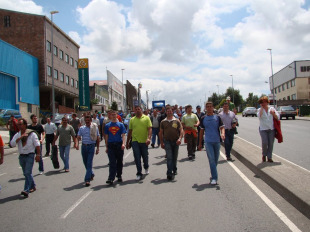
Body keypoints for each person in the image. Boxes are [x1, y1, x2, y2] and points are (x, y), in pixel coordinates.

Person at [10, 118, 41, 198]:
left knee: (27, 172)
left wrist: (38, 155)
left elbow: (37, 145)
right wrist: (20, 137)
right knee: (26, 173)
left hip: (30, 155)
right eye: (18, 125)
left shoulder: (31, 134)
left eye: (20, 124)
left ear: (25, 125)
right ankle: (33, 186)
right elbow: (12, 144)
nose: (19, 126)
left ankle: (26, 190)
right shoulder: (18, 134)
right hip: (22, 156)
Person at [198, 102, 225, 185]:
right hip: (208, 142)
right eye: (207, 107)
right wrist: (199, 143)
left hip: (217, 141)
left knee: (215, 160)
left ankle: (213, 173)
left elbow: (222, 127)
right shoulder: (203, 118)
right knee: (212, 160)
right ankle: (214, 178)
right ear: (206, 108)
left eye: (210, 107)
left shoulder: (217, 117)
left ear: (213, 108)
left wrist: (223, 133)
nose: (209, 108)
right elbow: (201, 132)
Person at [126, 105, 152, 181]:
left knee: (145, 156)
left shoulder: (146, 118)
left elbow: (149, 129)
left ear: (141, 110)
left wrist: (149, 138)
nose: (137, 110)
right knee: (137, 157)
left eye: (139, 109)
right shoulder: (132, 119)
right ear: (134, 111)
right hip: (135, 141)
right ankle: (139, 173)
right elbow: (130, 131)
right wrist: (127, 142)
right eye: (136, 109)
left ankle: (146, 167)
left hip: (144, 141)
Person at [159, 105, 183, 180]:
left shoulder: (177, 120)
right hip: (167, 141)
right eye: (167, 111)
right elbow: (160, 133)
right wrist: (162, 143)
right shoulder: (163, 122)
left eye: (170, 111)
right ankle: (169, 173)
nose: (169, 112)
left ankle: (174, 169)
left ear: (172, 112)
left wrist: (180, 139)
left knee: (174, 157)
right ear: (166, 112)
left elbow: (181, 130)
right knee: (169, 157)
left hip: (176, 141)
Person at [76, 115, 100, 187]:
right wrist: (77, 144)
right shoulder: (82, 128)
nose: (87, 122)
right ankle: (91, 173)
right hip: (84, 147)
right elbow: (78, 137)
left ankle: (87, 179)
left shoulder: (94, 128)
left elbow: (98, 138)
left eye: (88, 121)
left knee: (89, 163)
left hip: (91, 147)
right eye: (86, 121)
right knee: (85, 163)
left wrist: (97, 148)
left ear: (90, 121)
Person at [104, 110, 126, 184]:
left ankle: (119, 175)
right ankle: (111, 178)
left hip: (119, 144)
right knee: (112, 162)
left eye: (114, 114)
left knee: (119, 161)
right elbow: (106, 136)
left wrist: (123, 143)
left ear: (117, 115)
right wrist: (106, 146)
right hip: (111, 145)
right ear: (110, 116)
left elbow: (123, 135)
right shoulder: (107, 125)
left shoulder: (120, 125)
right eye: (112, 115)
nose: (113, 116)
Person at [257, 96, 279, 162]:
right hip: (263, 129)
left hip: (271, 129)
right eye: (262, 102)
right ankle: (264, 155)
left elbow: (277, 117)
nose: (263, 103)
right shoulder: (259, 110)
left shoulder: (272, 109)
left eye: (264, 102)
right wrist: (261, 108)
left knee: (271, 143)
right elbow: (259, 116)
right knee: (265, 142)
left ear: (267, 102)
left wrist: (273, 114)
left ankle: (269, 157)